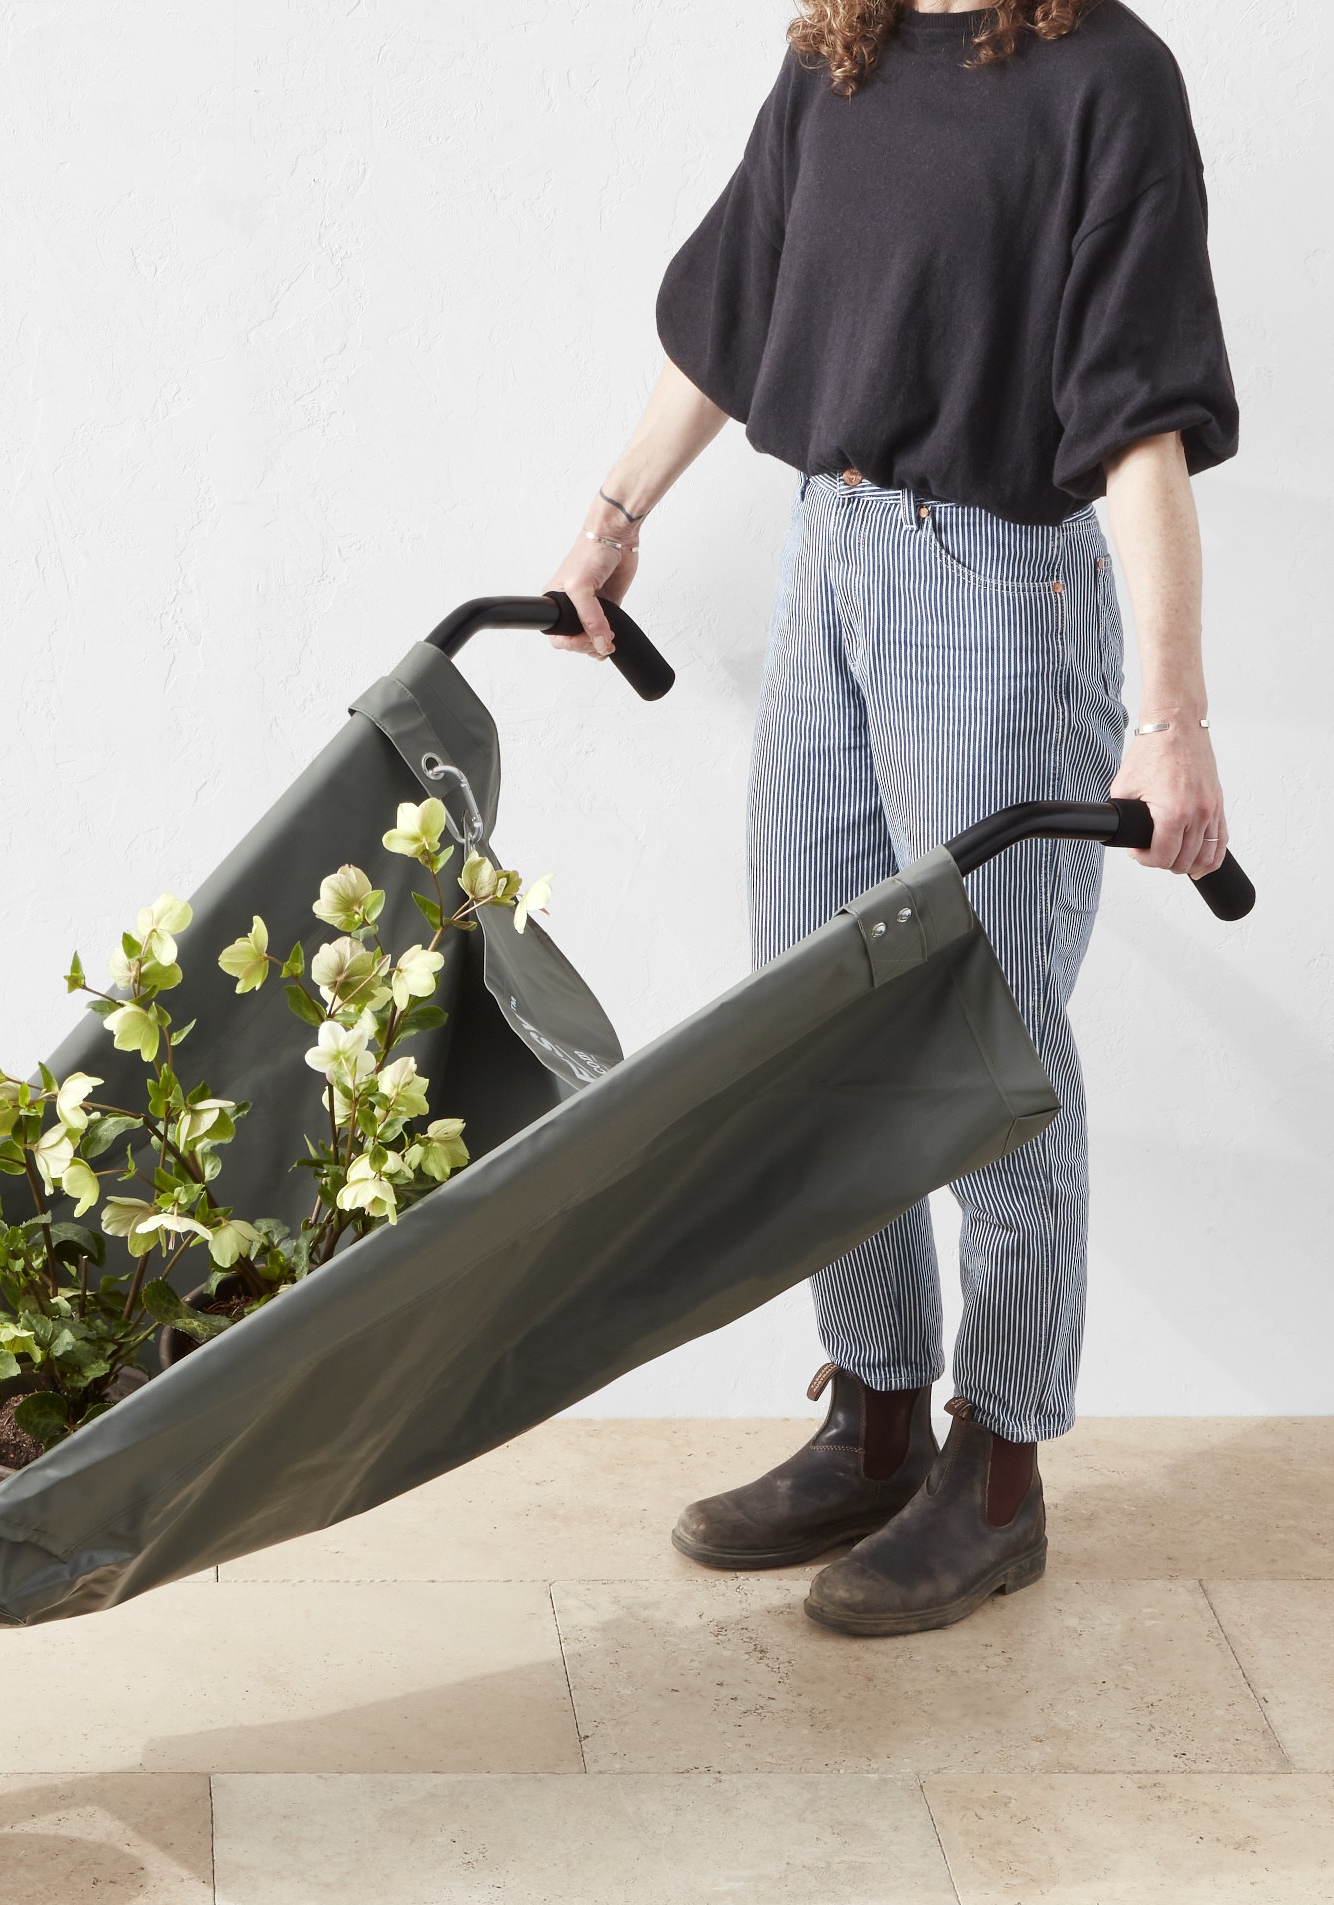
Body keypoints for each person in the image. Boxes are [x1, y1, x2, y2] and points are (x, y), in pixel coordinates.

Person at [545, 0, 1236, 1636]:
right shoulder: (837, 56)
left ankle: (997, 1470)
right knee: (813, 1017)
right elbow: (734, 309)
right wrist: (613, 510)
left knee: (982, 1047)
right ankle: (873, 1414)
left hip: (1002, 591)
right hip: (831, 555)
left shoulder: (1108, 82)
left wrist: (1172, 722)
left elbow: (1139, 419)